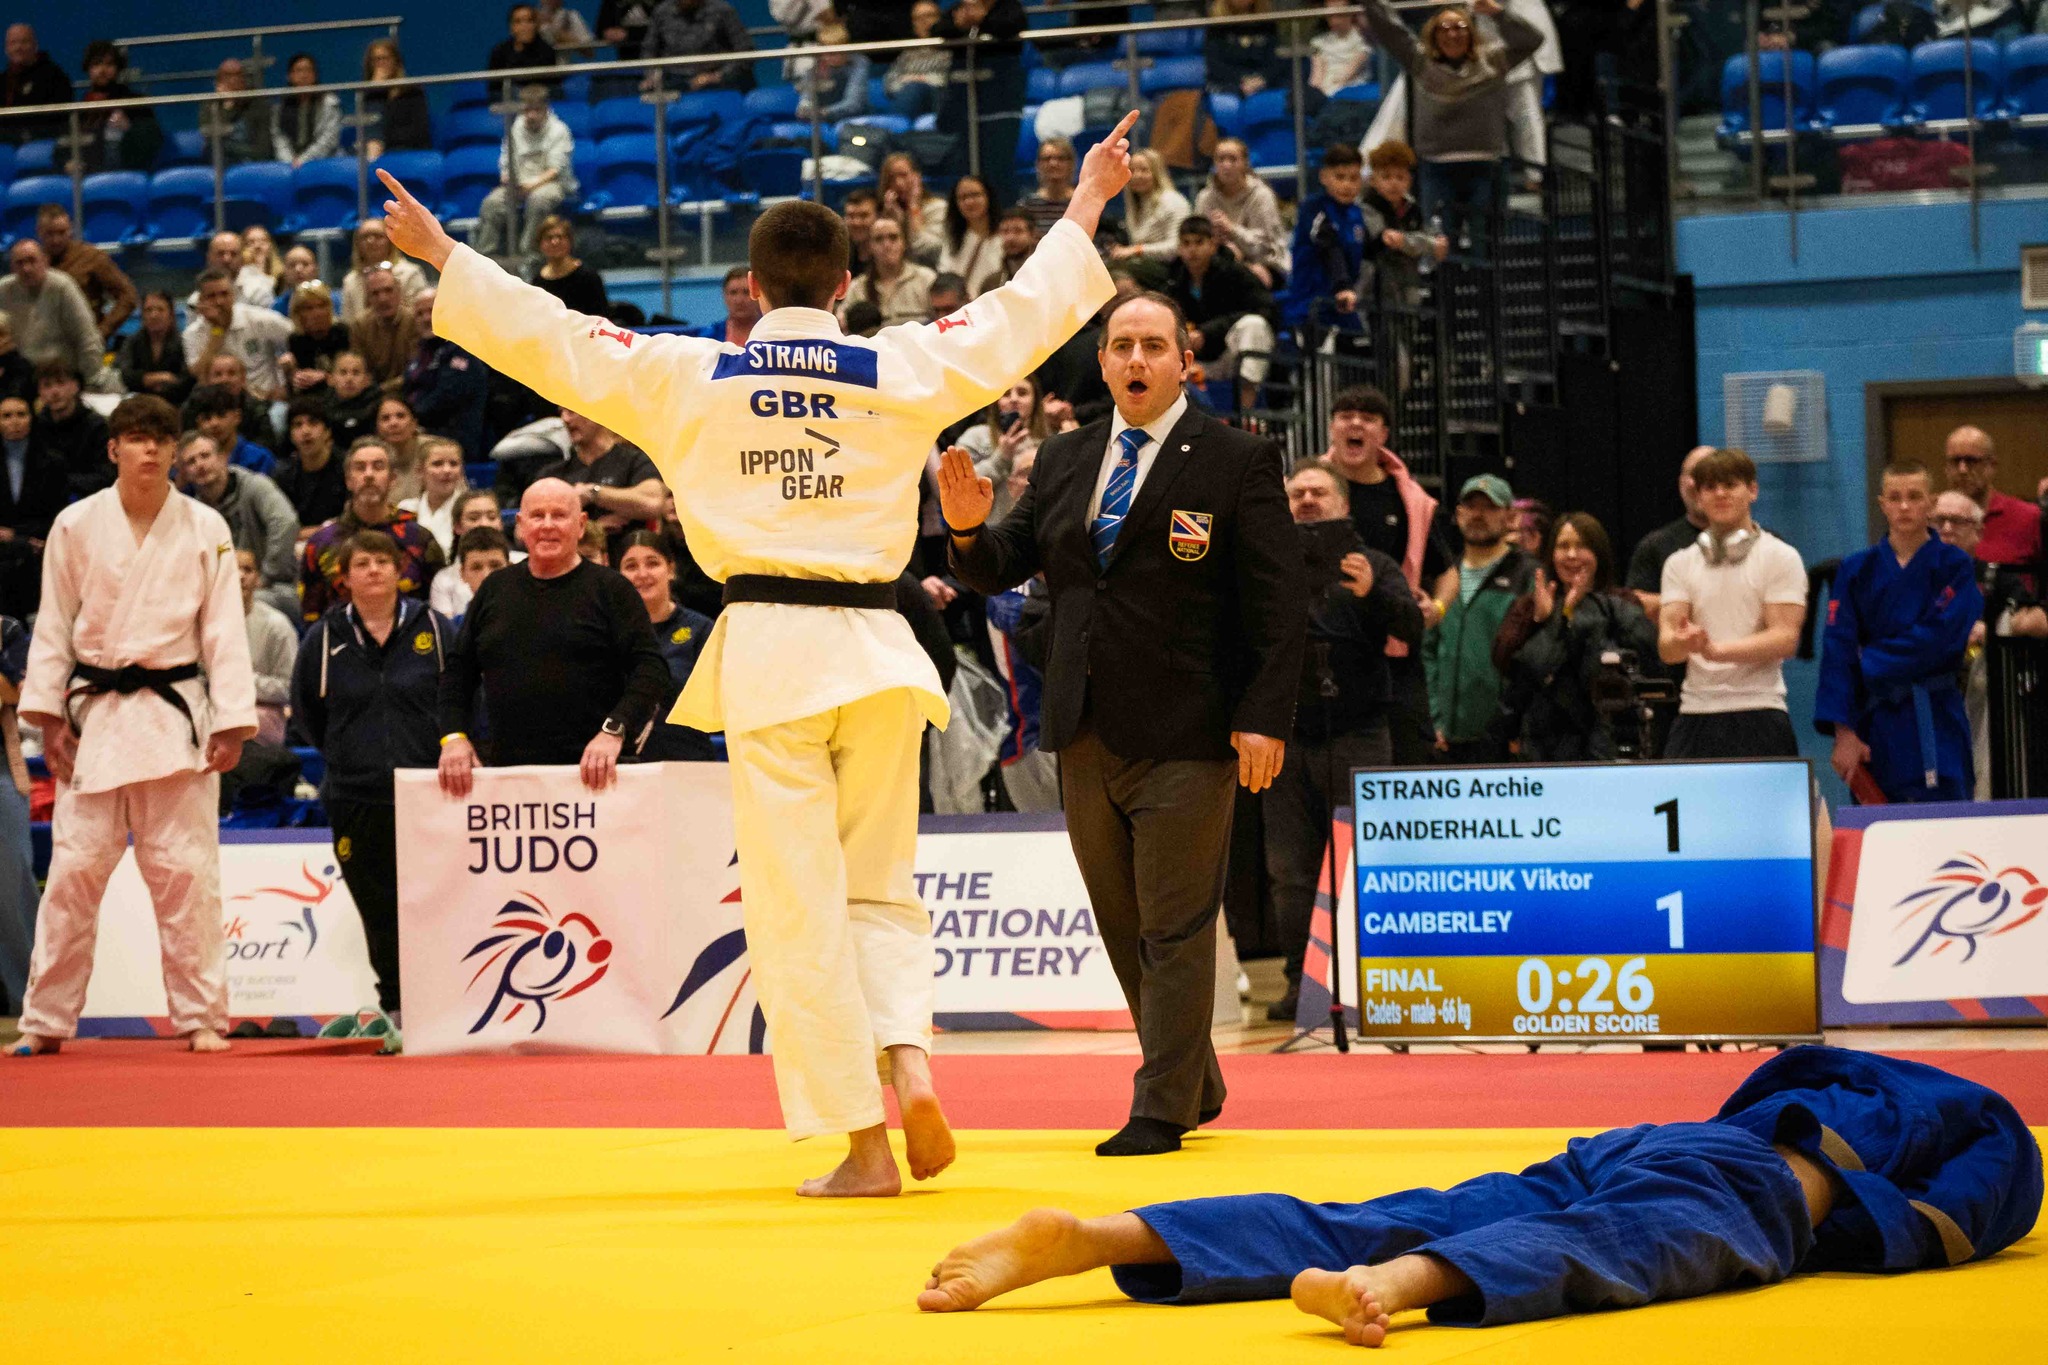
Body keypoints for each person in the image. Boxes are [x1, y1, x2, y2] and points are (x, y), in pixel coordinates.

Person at [378, 108, 1145, 1195]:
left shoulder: (689, 373)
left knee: (795, 907)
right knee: (880, 888)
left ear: (751, 282)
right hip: (880, 652)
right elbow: (1017, 316)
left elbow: (551, 335)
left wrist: (446, 256)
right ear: (842, 286)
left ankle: (863, 1143)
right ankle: (912, 1063)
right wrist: (1088, 199)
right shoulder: (898, 364)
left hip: (775, 659)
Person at [914, 1046, 2045, 1348]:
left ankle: (1102, 1237)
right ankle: (1390, 1291)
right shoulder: (1989, 1120)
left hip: (1653, 1137)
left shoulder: (1837, 1074)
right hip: (1743, 1180)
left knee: (1395, 1202)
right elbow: (1968, 1217)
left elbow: (1765, 1084)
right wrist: (1849, 1231)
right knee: (1612, 1245)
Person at [944, 286, 1305, 1156]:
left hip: (1191, 727)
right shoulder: (1066, 458)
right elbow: (1002, 563)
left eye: (1153, 344)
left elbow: (1279, 603)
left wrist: (1264, 717)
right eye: (1120, 345)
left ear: (1187, 359)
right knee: (1121, 920)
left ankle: (1160, 1105)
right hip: (1084, 727)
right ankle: (1197, 1078)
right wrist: (964, 531)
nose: (1136, 359)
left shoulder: (1233, 460)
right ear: (1101, 361)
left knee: (1174, 922)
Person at [8, 395, 255, 1057]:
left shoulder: (206, 528)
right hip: (94, 718)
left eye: (161, 439)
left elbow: (224, 629)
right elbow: (53, 623)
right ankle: (45, 1018)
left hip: (175, 720)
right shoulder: (74, 524)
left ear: (176, 450)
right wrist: (46, 716)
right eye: (136, 438)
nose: (149, 450)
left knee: (188, 874)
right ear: (113, 448)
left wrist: (230, 719)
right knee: (72, 874)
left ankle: (203, 1015)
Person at [1269, 464, 1419, 1020]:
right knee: (1290, 870)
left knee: (1365, 863)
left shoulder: (1374, 564)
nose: (1307, 501)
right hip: (1281, 738)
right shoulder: (1266, 561)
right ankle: (1299, 986)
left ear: (1344, 503)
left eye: (1319, 492)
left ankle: (1369, 982)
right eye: (1297, 493)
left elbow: (1413, 631)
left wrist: (1373, 595)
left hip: (1359, 734)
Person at [291, 528, 453, 1040]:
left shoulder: (436, 627)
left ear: (402, 570)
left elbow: (463, 701)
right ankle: (399, 1015)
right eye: (362, 563)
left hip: (431, 794)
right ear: (345, 577)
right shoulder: (324, 637)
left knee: (436, 905)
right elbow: (310, 715)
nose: (375, 570)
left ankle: (447, 1009)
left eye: (384, 561)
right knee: (378, 909)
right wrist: (349, 757)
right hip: (356, 795)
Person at [437, 476, 669, 779]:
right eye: (537, 516)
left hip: (600, 773)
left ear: (581, 524)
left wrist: (614, 730)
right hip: (511, 774)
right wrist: (454, 737)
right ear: (520, 525)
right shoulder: (494, 589)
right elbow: (458, 672)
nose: (547, 525)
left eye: (559, 515)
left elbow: (651, 669)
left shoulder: (612, 589)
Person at [1817, 461, 1981, 803]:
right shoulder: (1856, 569)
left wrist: (1870, 661)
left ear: (1931, 503)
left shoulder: (1955, 566)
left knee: (1947, 837)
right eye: (1895, 497)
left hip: (1936, 718)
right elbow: (1838, 649)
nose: (1904, 506)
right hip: (1875, 727)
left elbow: (1941, 639)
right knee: (1880, 838)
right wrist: (1843, 733)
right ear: (1882, 504)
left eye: (1914, 497)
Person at [1656, 448, 1807, 760]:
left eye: (1730, 485)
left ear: (1752, 490)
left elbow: (1785, 639)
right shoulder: (1679, 563)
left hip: (1760, 708)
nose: (1720, 494)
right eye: (1710, 487)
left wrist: (1715, 650)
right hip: (1696, 710)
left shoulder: (1780, 556)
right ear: (1698, 496)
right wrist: (1684, 642)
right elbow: (1667, 648)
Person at [1359, 0, 1542, 256]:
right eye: (1444, 28)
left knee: (1487, 247)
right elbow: (1390, 29)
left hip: (1486, 166)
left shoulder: (1493, 60)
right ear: (1434, 35)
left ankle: (1486, 294)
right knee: (1441, 247)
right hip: (1436, 168)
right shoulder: (1421, 61)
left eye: (1460, 27)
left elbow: (1531, 39)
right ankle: (1446, 295)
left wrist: (1497, 13)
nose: (1452, 34)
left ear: (1471, 32)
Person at [1491, 511, 1658, 761]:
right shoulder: (1529, 607)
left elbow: (1644, 661)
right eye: (1563, 546)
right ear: (1551, 554)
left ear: (1599, 553)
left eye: (1582, 546)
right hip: (1544, 746)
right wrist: (1546, 621)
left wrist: (1576, 615)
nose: (1571, 555)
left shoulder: (1621, 603)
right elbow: (1506, 662)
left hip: (1609, 742)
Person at [1423, 474, 1535, 763]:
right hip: (1445, 740)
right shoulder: (1444, 576)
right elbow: (1428, 651)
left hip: (1504, 742)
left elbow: (1534, 659)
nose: (1478, 515)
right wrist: (1434, 719)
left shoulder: (1528, 575)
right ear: (1458, 514)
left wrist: (1516, 726)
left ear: (1510, 517)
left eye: (1489, 507)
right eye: (1470, 507)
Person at [298, 438, 444, 623]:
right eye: (360, 468)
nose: (369, 475)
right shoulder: (321, 543)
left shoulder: (419, 538)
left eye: (378, 467)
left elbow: (437, 608)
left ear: (392, 479)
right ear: (349, 481)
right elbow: (311, 615)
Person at [177, 429, 300, 618]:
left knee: (234, 609)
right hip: (223, 593)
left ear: (223, 458)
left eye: (205, 456)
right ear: (184, 473)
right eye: (191, 462)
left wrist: (268, 574)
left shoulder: (255, 486)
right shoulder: (193, 511)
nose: (200, 465)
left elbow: (286, 522)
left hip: (275, 588)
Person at [617, 529, 717, 760]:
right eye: (631, 566)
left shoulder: (701, 629)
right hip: (625, 765)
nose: (642, 573)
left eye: (652, 563)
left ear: (671, 569)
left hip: (688, 760)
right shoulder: (610, 632)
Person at [1165, 216, 1277, 413]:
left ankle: (1246, 415)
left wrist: (1207, 332)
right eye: (1186, 243)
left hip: (1231, 355)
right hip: (1195, 362)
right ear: (1179, 248)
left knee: (1254, 324)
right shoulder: (1174, 281)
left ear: (1212, 245)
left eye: (1199, 242)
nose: (1192, 250)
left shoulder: (1235, 273)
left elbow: (1266, 310)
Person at [528, 407, 666, 560]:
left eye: (571, 411)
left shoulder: (634, 461)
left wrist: (592, 493)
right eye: (561, 412)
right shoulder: (553, 474)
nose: (565, 419)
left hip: (627, 568)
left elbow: (652, 502)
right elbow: (522, 531)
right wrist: (593, 528)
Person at [476, 85, 579, 262]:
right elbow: (506, 161)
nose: (531, 115)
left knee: (539, 200)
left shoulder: (559, 130)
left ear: (545, 109)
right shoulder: (515, 128)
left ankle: (528, 254)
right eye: (527, 110)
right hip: (519, 185)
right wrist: (508, 178)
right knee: (492, 202)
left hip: (550, 184)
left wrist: (530, 186)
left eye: (536, 110)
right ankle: (486, 256)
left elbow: (554, 171)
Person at [1281, 145, 1367, 338]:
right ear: (1323, 177)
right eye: (1340, 177)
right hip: (1312, 306)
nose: (1347, 185)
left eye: (1353, 178)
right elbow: (1329, 247)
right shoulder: (1313, 210)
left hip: (1342, 305)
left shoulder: (1356, 213)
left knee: (1362, 355)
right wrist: (1343, 286)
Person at [1356, 140, 1446, 315]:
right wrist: (1428, 244)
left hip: (1408, 283)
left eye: (1400, 177)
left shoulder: (1413, 208)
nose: (1393, 183)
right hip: (1374, 286)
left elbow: (1430, 239)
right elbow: (1389, 239)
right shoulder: (1366, 208)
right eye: (1386, 177)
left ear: (1409, 181)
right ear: (1373, 180)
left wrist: (1426, 244)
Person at [1625, 444, 1714, 619]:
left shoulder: (1763, 543)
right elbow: (1635, 609)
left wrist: (1668, 603)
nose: (1697, 484)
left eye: (1708, 476)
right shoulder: (1655, 545)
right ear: (1681, 483)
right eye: (1694, 475)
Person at [402, 289, 491, 464]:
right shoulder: (421, 352)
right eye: (420, 314)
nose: (427, 318)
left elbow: (445, 398)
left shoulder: (463, 348)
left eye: (432, 310)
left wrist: (411, 418)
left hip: (454, 443)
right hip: (422, 435)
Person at [0, 240, 105, 385]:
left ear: (45, 261)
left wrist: (92, 381)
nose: (26, 268)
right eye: (20, 263)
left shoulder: (63, 286)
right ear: (12, 267)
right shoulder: (3, 290)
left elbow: (87, 337)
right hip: (20, 377)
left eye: (32, 261)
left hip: (63, 376)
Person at [183, 268, 293, 404]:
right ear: (200, 300)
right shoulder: (192, 333)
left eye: (224, 294)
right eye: (211, 296)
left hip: (266, 399)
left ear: (233, 295)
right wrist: (217, 331)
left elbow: (298, 338)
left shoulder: (260, 319)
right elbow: (199, 375)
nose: (219, 301)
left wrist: (286, 385)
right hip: (218, 404)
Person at [0, 392, 66, 617]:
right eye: (7, 416)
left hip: (37, 545)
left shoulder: (53, 461)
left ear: (32, 418)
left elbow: (58, 513)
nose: (15, 421)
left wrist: (16, 535)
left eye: (21, 414)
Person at [1945, 425, 2043, 576]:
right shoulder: (1933, 519)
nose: (1962, 470)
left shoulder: (2028, 517)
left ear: (1992, 466)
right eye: (1955, 461)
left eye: (1971, 461)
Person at [1195, 139, 1289, 292]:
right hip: (1218, 261)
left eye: (1233, 159)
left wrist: (1232, 229)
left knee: (1244, 277)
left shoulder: (1261, 196)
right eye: (1221, 159)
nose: (1226, 165)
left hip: (1263, 263)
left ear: (1245, 163)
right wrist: (1214, 241)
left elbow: (1267, 249)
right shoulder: (1205, 197)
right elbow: (1197, 238)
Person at [37, 205, 137, 341]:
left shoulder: (92, 257)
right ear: (39, 232)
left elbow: (128, 296)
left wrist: (102, 332)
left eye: (61, 232)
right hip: (45, 343)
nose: (56, 240)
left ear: (70, 230)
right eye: (50, 234)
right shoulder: (32, 262)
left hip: (83, 343)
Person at [0, 614, 34, 1013]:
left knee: (13, 878)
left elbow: (17, 692)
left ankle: (31, 1002)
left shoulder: (8, 629)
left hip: (3, 769)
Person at [237, 548, 298, 747]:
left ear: (258, 579)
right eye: (232, 569)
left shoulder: (277, 625)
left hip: (261, 720)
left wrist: (239, 683)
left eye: (247, 569)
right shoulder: (201, 622)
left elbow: (290, 688)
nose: (240, 576)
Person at [76, 39, 162, 173]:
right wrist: (67, 163)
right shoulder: (78, 110)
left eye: (109, 64)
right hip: (87, 178)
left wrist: (129, 128)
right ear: (88, 69)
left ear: (118, 69)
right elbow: (63, 146)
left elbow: (153, 140)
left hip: (129, 173)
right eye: (97, 64)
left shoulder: (135, 102)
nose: (102, 70)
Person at [33, 361, 111, 501]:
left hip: (89, 500)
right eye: (47, 385)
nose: (55, 392)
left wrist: (63, 482)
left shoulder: (97, 427)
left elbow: (106, 477)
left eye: (61, 383)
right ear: (40, 393)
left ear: (76, 386)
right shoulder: (37, 426)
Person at [843, 217, 937, 330]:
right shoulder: (857, 288)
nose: (887, 245)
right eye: (878, 239)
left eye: (893, 238)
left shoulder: (927, 279)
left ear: (905, 243)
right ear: (870, 247)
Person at [642, 0, 756, 92]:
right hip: (672, 82)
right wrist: (651, 76)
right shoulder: (662, 12)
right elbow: (649, 49)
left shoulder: (722, 10)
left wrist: (716, 76)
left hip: (717, 86)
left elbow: (745, 51)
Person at [1109, 151, 1194, 270]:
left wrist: (1136, 250)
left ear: (1156, 173)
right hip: (1144, 265)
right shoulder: (1137, 205)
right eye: (1132, 171)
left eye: (1144, 170)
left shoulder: (1173, 201)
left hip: (1171, 269)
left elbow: (1177, 247)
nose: (1136, 176)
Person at [275, 398, 349, 530]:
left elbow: (351, 522)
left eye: (313, 423)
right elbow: (281, 527)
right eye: (298, 425)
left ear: (327, 432)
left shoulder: (347, 467)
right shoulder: (283, 475)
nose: (306, 431)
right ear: (291, 436)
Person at [341, 219, 431, 326]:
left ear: (390, 241)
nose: (370, 241)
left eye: (378, 236)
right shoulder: (350, 281)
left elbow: (421, 315)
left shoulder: (411, 273)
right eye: (364, 237)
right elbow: (348, 322)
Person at [361, 39, 433, 162]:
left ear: (395, 61)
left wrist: (383, 143)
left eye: (385, 58)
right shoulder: (368, 95)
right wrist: (374, 89)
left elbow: (419, 131)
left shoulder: (412, 91)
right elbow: (366, 126)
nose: (381, 64)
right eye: (376, 60)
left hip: (408, 149)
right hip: (375, 150)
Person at [184, 383, 276, 478]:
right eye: (207, 418)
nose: (214, 423)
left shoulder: (260, 458)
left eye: (221, 415)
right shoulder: (192, 463)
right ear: (198, 424)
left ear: (237, 417)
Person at [119, 292, 195, 406]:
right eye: (148, 310)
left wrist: (146, 382)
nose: (154, 315)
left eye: (160, 309)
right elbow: (127, 375)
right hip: (139, 402)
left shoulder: (184, 342)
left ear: (170, 315)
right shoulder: (132, 342)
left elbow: (186, 379)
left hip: (176, 404)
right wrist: (162, 377)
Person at [352, 267, 421, 389]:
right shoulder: (360, 326)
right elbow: (360, 370)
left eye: (388, 290)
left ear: (399, 292)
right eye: (375, 293)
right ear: (368, 299)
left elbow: (418, 369)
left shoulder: (415, 321)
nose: (382, 298)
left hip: (410, 389)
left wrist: (385, 389)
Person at [399, 437, 469, 558]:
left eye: (453, 464)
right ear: (420, 471)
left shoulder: (470, 509)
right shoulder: (405, 508)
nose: (447, 470)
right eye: (437, 464)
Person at [279, 281, 352, 398]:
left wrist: (324, 376)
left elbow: (351, 375)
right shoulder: (296, 339)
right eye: (309, 308)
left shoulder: (342, 333)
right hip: (310, 399)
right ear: (298, 314)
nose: (317, 313)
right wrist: (293, 374)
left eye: (322, 306)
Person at [938, 176, 1005, 300]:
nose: (969, 202)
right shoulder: (953, 238)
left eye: (975, 195)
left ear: (988, 197)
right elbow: (946, 274)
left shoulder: (1004, 236)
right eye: (963, 198)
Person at [788, 21, 869, 122]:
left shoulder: (859, 63)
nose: (831, 57)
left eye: (838, 52)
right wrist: (804, 108)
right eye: (827, 52)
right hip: (819, 122)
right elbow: (806, 98)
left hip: (855, 120)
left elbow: (854, 104)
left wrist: (824, 112)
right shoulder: (813, 64)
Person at [2, 25, 69, 144]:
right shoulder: (2, 80)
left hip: (43, 141)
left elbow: (60, 118)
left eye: (24, 42)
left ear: (35, 45)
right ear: (6, 48)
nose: (18, 47)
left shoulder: (54, 76)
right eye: (13, 43)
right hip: (6, 144)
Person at [885, 1, 953, 117]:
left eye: (929, 16)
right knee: (912, 89)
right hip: (907, 98)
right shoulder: (908, 53)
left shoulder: (951, 49)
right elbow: (889, 84)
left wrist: (922, 79)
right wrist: (906, 82)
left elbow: (952, 79)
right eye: (917, 18)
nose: (923, 21)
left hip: (938, 100)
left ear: (940, 18)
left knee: (915, 88)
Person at [437, 518, 515, 620]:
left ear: (510, 567)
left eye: (495, 565)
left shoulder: (535, 617)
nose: (487, 575)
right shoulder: (454, 630)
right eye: (476, 568)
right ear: (462, 573)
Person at [1205, 0, 1285, 97]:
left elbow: (1275, 59)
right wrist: (1242, 79)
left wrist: (1261, 79)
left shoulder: (1267, 22)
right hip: (1226, 82)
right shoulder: (1216, 25)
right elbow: (1214, 63)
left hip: (1262, 81)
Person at [273, 52, 341, 167]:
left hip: (324, 160)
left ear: (315, 75)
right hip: (289, 164)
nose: (304, 75)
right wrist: (289, 162)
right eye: (299, 71)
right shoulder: (280, 107)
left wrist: (303, 160)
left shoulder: (329, 102)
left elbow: (329, 139)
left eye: (308, 70)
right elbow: (279, 137)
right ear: (290, 76)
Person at [879, 152, 948, 266]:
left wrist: (913, 206)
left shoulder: (938, 208)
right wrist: (892, 220)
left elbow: (926, 249)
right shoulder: (885, 213)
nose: (899, 183)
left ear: (917, 177)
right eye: (891, 178)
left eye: (903, 175)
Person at [531, 216, 608, 317]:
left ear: (570, 242)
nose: (555, 242)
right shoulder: (537, 282)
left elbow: (600, 318)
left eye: (560, 237)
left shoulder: (589, 277)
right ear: (540, 244)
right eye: (548, 238)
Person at [208, 58, 275, 167]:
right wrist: (228, 106)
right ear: (218, 82)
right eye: (227, 76)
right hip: (222, 162)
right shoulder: (211, 104)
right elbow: (209, 135)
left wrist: (228, 147)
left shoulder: (258, 102)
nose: (233, 80)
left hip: (254, 159)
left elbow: (264, 149)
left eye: (238, 75)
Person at [377, 395, 433, 500]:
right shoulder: (374, 456)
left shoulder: (436, 450)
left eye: (400, 416)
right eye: (385, 418)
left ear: (414, 423)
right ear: (377, 427)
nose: (393, 423)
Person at [1310, 0, 1371, 97]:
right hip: (1324, 89)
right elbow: (1316, 77)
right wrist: (1315, 92)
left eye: (1338, 15)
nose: (1334, 20)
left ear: (1350, 15)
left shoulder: (1363, 39)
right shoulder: (1318, 42)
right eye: (1330, 16)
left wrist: (1329, 90)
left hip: (1352, 89)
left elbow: (1349, 74)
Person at [1022, 138, 1078, 239]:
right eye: (1047, 158)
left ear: (1071, 164)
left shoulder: (1082, 203)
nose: (1053, 164)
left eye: (1060, 158)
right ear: (1038, 165)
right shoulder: (1026, 207)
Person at [689, 266, 760, 345]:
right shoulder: (709, 336)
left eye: (746, 292)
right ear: (724, 295)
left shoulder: (770, 332)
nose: (739, 300)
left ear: (757, 295)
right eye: (733, 293)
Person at [489, 4, 560, 83]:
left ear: (536, 25)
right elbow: (494, 90)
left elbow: (553, 87)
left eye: (529, 21)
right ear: (511, 27)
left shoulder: (547, 51)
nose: (524, 26)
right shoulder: (499, 52)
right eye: (518, 21)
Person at [326, 351, 382, 451]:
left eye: (356, 373)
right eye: (343, 372)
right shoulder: (321, 407)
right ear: (331, 379)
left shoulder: (378, 406)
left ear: (367, 380)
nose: (349, 379)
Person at [843, 189, 882, 277]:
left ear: (878, 216)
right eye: (851, 216)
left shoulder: (889, 258)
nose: (856, 222)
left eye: (863, 216)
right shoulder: (840, 258)